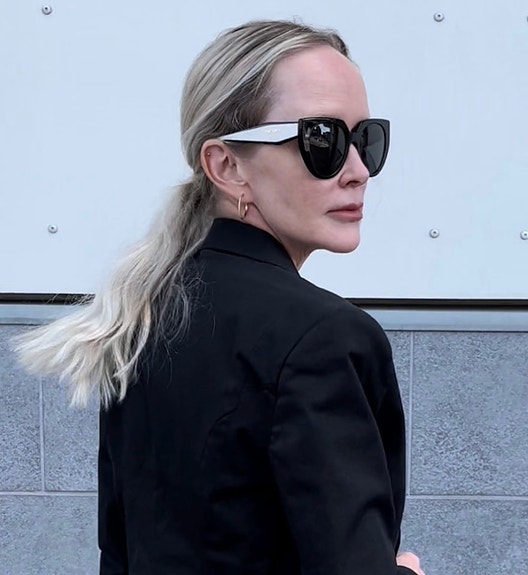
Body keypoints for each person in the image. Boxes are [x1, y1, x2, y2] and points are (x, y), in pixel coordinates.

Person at [16, 19, 426, 575]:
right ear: (227, 166)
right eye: (323, 140)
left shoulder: (144, 314)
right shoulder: (324, 339)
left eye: (366, 139)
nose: (357, 171)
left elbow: (121, 555)